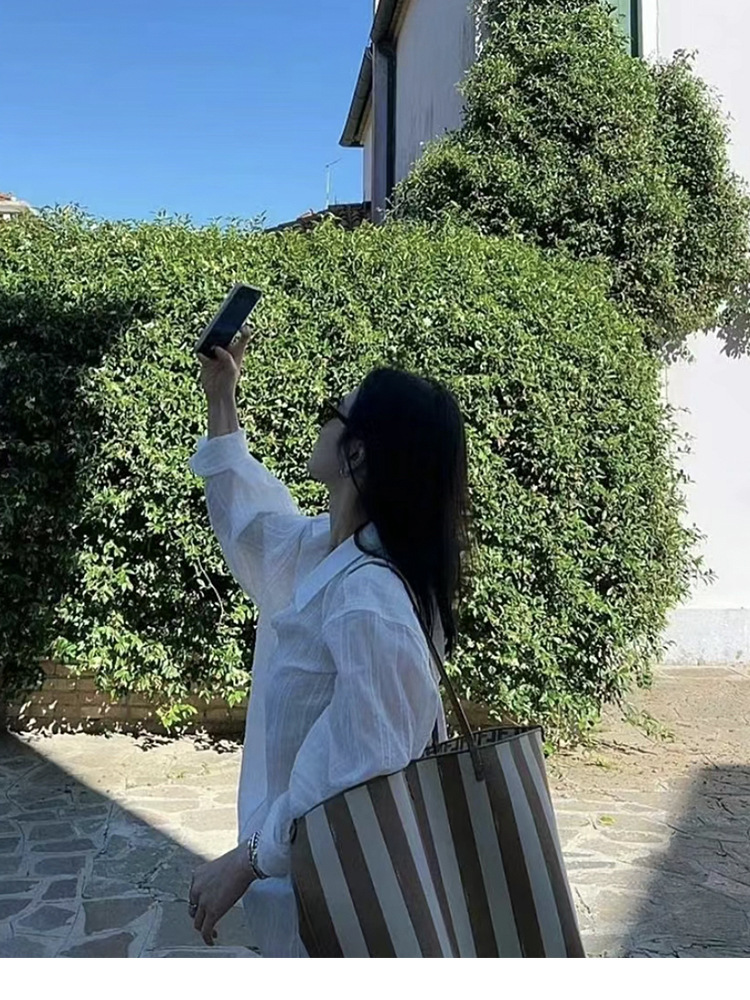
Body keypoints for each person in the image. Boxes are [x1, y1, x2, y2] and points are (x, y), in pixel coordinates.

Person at [187, 325, 470, 957]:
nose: (320, 425)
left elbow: (355, 771)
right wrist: (221, 397)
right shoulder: (327, 551)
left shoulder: (368, 599)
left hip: (342, 913)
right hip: (314, 896)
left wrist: (245, 861)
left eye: (331, 414)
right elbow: (253, 526)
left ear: (357, 452)